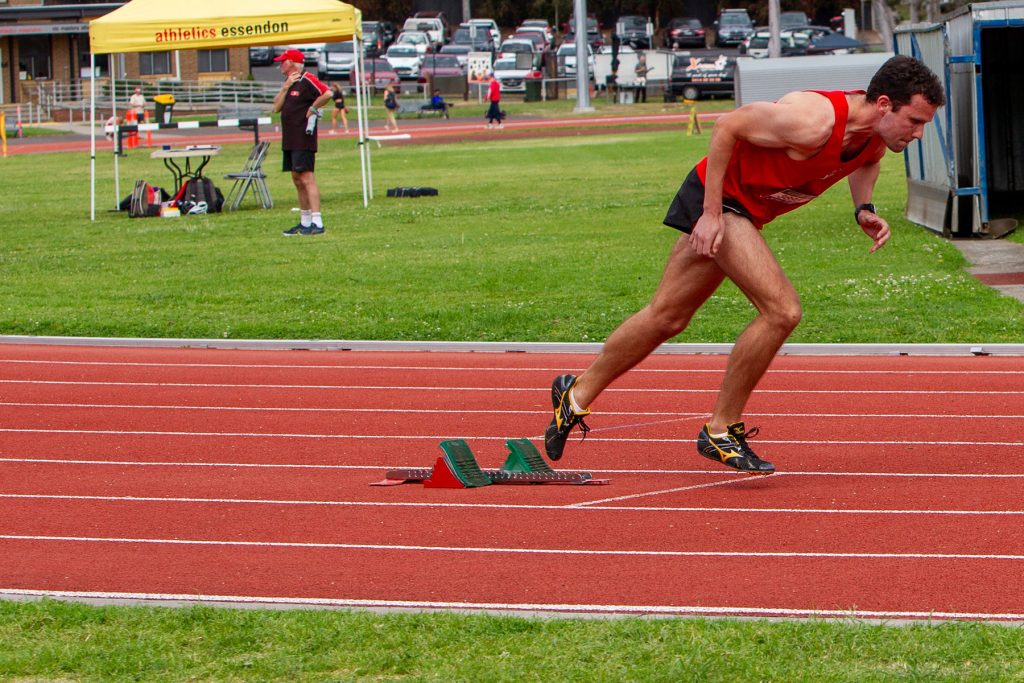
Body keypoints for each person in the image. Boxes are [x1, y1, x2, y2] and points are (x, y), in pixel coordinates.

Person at [543, 55, 945, 474]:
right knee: (782, 311)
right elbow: (727, 126)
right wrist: (710, 213)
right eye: (915, 121)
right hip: (723, 203)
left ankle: (575, 395)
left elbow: (867, 161)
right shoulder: (811, 121)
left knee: (666, 316)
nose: (918, 133)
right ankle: (721, 429)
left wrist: (864, 208)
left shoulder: (876, 136)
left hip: (744, 212)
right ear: (884, 104)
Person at [272, 48, 333, 236]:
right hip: (290, 138)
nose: (280, 65)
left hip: (303, 137)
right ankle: (305, 221)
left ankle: (317, 221)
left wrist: (313, 108)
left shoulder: (307, 79)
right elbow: (276, 108)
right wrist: (285, 87)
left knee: (306, 177)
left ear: (291, 62)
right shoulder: (289, 82)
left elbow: (327, 93)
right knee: (296, 178)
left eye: (283, 61)